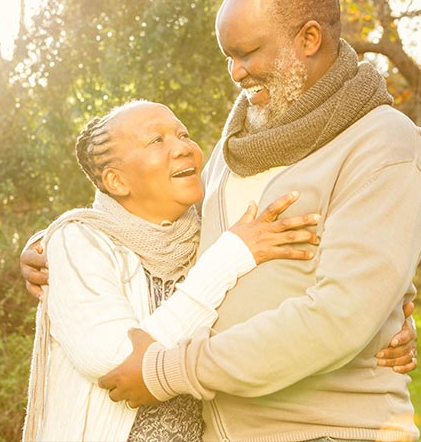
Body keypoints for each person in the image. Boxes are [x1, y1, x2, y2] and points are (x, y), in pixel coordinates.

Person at [96, 0, 421, 442]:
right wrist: (68, 239)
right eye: (228, 57)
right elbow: (163, 231)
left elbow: (339, 315)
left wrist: (165, 371)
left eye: (247, 52)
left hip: (327, 431)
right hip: (221, 429)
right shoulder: (239, 146)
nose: (235, 72)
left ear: (309, 39)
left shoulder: (382, 142)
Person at [21, 100, 327, 442]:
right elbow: (115, 361)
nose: (183, 147)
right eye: (157, 141)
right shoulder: (78, 241)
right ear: (117, 181)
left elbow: (292, 301)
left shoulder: (210, 236)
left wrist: (393, 323)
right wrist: (229, 257)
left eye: (183, 134)